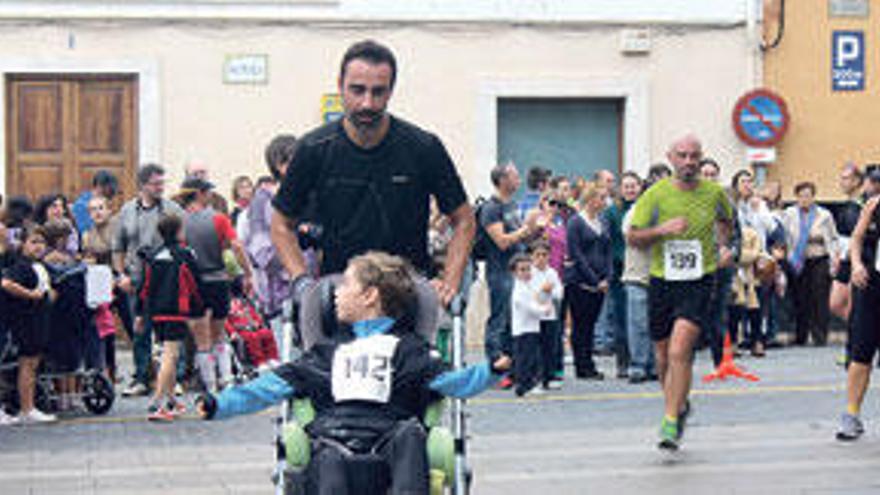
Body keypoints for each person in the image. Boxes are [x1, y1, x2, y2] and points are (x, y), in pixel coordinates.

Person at [197, 251, 511, 494]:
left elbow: (455, 382)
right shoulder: (326, 353)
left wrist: (490, 370)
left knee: (411, 435)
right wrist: (219, 404)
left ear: (370, 296)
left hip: (391, 440)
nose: (335, 292)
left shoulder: (409, 350)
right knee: (326, 456)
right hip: (333, 442)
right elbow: (266, 388)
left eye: (346, 284)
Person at [271, 40, 474, 311]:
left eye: (378, 92)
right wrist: (302, 283)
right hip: (340, 296)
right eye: (357, 90)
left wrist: (450, 282)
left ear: (391, 91)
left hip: (406, 294)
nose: (367, 102)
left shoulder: (423, 147)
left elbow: (463, 219)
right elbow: (281, 223)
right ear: (340, 85)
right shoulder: (313, 149)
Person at [627, 134, 734, 450]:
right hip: (662, 280)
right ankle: (676, 405)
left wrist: (723, 247)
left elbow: (726, 221)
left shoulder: (715, 193)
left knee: (679, 351)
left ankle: (671, 421)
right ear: (671, 158)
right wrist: (661, 230)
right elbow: (633, 237)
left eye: (694, 156)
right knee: (662, 356)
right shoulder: (655, 195)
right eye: (683, 156)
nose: (689, 162)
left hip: (699, 281)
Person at [113, 163, 185, 396]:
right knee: (140, 331)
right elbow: (118, 247)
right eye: (156, 184)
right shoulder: (126, 211)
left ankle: (175, 378)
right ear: (143, 185)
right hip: (135, 279)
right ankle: (141, 377)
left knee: (169, 329)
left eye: (162, 183)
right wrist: (120, 274)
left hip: (166, 278)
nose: (160, 188)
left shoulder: (173, 209)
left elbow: (184, 241)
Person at [176, 177, 254, 392]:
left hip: (193, 283)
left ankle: (210, 387)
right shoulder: (218, 219)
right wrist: (247, 273)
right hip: (218, 280)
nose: (210, 195)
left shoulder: (180, 221)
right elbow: (236, 246)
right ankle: (227, 381)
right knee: (219, 335)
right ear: (200, 193)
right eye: (208, 191)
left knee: (202, 341)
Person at [138, 214, 202, 421]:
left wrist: (141, 313)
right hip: (177, 310)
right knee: (170, 355)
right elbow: (195, 284)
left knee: (168, 354)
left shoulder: (154, 255)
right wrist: (199, 308)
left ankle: (172, 400)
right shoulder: (186, 254)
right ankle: (157, 404)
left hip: (156, 312)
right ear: (178, 231)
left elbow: (144, 287)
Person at [481, 163, 539, 375]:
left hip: (518, 271)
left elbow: (520, 238)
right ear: (502, 180)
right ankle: (495, 361)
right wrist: (525, 229)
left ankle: (512, 364)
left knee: (515, 318)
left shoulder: (512, 204)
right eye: (515, 176)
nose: (519, 180)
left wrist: (533, 228)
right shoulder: (491, 208)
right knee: (500, 317)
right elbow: (502, 241)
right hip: (500, 271)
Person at [836, 174, 880, 440]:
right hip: (872, 286)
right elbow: (856, 239)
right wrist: (856, 265)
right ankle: (851, 415)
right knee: (861, 353)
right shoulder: (873, 207)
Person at [1, 224, 57, 424]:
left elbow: (48, 287)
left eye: (42, 242)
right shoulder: (21, 265)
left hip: (39, 319)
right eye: (33, 242)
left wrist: (50, 294)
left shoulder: (41, 266)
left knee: (33, 364)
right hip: (25, 321)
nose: (38, 247)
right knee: (27, 364)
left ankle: (29, 406)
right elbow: (6, 283)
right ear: (23, 244)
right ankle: (27, 407)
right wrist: (30, 295)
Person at [564, 181, 612, 380]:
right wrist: (594, 279)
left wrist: (608, 276)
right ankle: (582, 366)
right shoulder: (576, 222)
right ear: (591, 200)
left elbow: (607, 250)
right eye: (601, 197)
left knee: (591, 324)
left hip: (600, 282)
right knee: (580, 325)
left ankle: (589, 363)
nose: (604, 201)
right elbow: (577, 254)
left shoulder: (602, 221)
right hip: (581, 282)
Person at [782, 182, 839, 346]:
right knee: (800, 298)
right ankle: (801, 335)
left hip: (819, 258)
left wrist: (834, 257)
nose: (804, 199)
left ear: (813, 197)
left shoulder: (824, 214)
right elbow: (785, 237)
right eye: (801, 195)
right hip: (798, 260)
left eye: (808, 195)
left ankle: (820, 336)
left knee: (819, 297)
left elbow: (833, 238)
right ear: (796, 197)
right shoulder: (790, 213)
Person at [604, 171, 642, 377]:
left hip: (641, 269)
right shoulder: (612, 212)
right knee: (620, 317)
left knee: (640, 318)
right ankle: (623, 362)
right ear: (621, 189)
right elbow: (608, 243)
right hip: (619, 271)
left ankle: (641, 358)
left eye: (633, 186)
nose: (630, 190)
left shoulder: (646, 208)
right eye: (626, 186)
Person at [529, 240, 564, 390]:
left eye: (544, 255)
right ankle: (535, 376)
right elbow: (529, 294)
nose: (541, 258)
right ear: (531, 257)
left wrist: (550, 291)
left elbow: (559, 293)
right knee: (534, 348)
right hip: (534, 317)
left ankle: (550, 375)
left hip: (550, 316)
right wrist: (543, 291)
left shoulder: (552, 273)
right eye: (538, 255)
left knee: (550, 347)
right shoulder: (528, 273)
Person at [71, 170, 119, 235]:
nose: (107, 199)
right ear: (98, 187)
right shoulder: (81, 205)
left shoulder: (106, 204)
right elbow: (85, 231)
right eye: (107, 194)